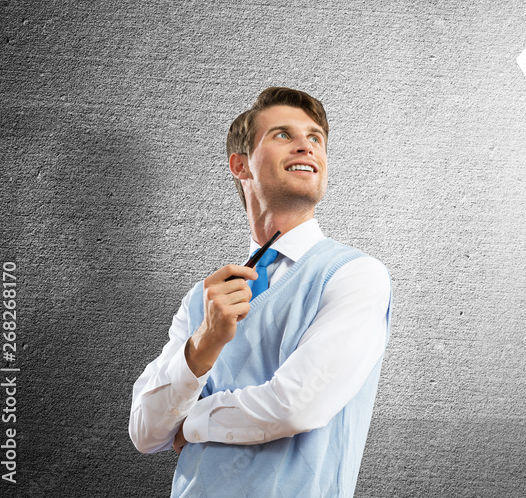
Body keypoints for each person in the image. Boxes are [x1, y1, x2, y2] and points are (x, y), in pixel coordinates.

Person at [129, 87, 392, 497]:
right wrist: (203, 345)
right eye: (283, 135)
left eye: (316, 138)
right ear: (241, 165)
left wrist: (193, 422)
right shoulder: (205, 298)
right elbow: (145, 431)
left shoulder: (355, 276)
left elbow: (295, 406)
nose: (307, 145)